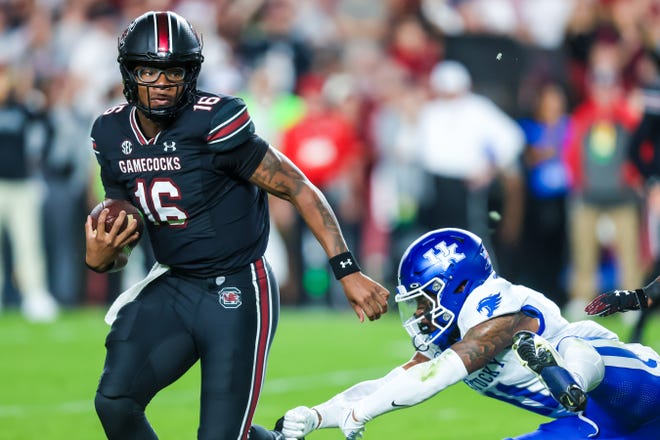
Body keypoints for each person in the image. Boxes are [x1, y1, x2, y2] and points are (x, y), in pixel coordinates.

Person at [84, 11, 389, 440]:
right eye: (148, 70)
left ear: (190, 74)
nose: (161, 83)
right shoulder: (111, 132)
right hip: (174, 283)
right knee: (114, 401)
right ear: (129, 72)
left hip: (237, 287)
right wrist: (104, 259)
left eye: (173, 72)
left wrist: (346, 268)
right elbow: (124, 232)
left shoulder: (214, 120)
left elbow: (299, 187)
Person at [277, 228, 660, 440]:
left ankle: (568, 377)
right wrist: (319, 415)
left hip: (639, 391)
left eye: (425, 301)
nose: (420, 315)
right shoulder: (456, 332)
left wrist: (363, 413)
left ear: (457, 287)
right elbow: (397, 380)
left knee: (577, 347)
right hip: (598, 425)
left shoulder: (499, 313)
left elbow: (442, 374)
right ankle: (567, 383)